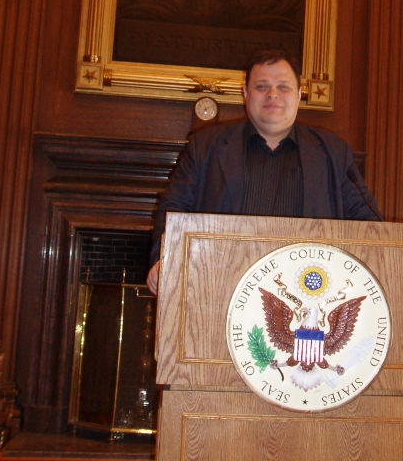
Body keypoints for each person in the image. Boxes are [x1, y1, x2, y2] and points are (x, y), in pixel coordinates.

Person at [146, 50, 382, 294]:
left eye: (283, 87)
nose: (272, 94)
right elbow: (174, 209)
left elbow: (369, 223)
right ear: (245, 94)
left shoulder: (333, 152)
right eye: (261, 86)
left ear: (298, 95)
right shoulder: (206, 147)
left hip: (308, 295)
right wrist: (164, 259)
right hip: (220, 289)